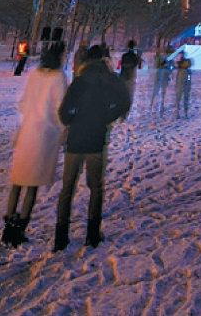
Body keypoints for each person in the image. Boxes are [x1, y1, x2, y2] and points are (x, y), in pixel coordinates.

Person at [54, 44, 130, 251]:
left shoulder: (79, 81)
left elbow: (63, 113)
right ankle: (93, 234)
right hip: (97, 139)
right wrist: (106, 118)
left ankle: (60, 236)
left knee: (67, 188)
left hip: (76, 139)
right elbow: (124, 103)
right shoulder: (111, 80)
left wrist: (74, 120)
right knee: (95, 187)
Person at [2, 42, 67, 247]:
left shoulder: (34, 74)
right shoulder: (58, 77)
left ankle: (8, 226)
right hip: (44, 135)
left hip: (27, 131)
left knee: (18, 181)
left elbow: (22, 102)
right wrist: (63, 129)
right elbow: (60, 108)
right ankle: (20, 228)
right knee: (32, 184)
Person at [149, 46, 172, 117]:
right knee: (159, 92)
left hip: (162, 77)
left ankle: (156, 106)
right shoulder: (164, 58)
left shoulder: (166, 58)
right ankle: (154, 106)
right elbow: (156, 65)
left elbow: (156, 65)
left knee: (159, 92)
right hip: (160, 77)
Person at [118, 39, 141, 109]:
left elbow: (121, 66)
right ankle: (126, 110)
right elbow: (138, 66)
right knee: (130, 94)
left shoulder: (124, 56)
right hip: (131, 76)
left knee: (122, 94)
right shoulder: (136, 56)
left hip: (123, 76)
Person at [174, 53, 192, 119]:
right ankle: (184, 113)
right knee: (184, 100)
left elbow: (178, 79)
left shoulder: (180, 71)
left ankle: (179, 113)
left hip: (180, 86)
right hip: (184, 86)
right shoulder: (187, 71)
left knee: (179, 100)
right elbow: (189, 79)